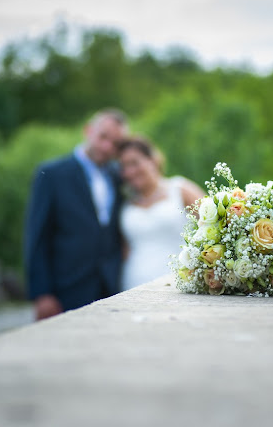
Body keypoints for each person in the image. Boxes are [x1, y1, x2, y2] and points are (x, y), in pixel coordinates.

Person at [24, 108, 129, 320]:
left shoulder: (120, 176)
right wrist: (42, 293)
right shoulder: (52, 174)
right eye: (103, 137)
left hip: (111, 288)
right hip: (66, 288)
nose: (107, 147)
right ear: (88, 131)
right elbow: (37, 235)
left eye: (115, 144)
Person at [117, 136, 205, 291]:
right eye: (124, 166)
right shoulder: (126, 205)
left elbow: (214, 223)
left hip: (176, 283)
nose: (129, 171)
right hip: (131, 285)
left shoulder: (179, 190)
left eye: (134, 163)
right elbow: (125, 251)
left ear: (153, 160)